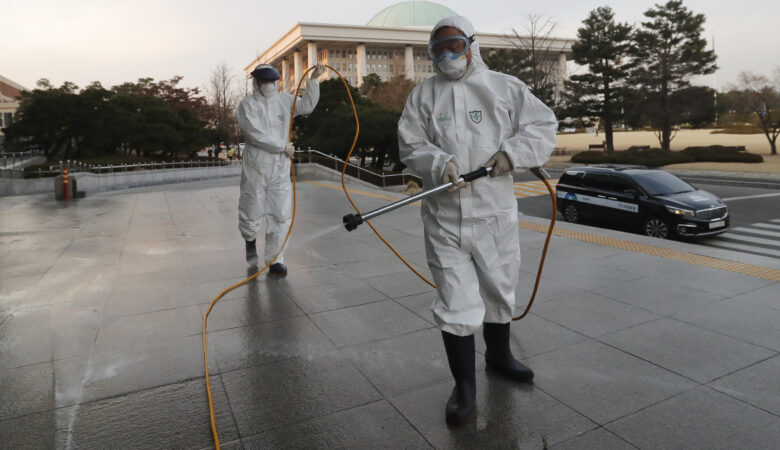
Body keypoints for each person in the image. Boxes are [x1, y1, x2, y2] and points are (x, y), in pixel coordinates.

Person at [398, 16, 557, 425]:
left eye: (454, 45)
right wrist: (438, 162)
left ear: (471, 44)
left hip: (494, 214)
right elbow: (410, 143)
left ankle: (499, 356)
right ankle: (464, 387)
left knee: (500, 287)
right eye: (438, 49)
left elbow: (542, 125)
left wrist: (512, 155)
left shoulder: (503, 87)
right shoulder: (422, 95)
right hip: (445, 217)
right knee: (455, 299)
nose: (448, 55)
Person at [236, 63, 324, 275]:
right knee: (251, 209)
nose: (269, 85)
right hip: (256, 166)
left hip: (280, 167)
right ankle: (250, 240)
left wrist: (313, 80)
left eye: (272, 81)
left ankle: (276, 259)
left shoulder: (284, 101)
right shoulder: (247, 106)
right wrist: (282, 146)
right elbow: (253, 133)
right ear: (256, 83)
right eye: (265, 81)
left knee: (281, 213)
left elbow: (307, 106)